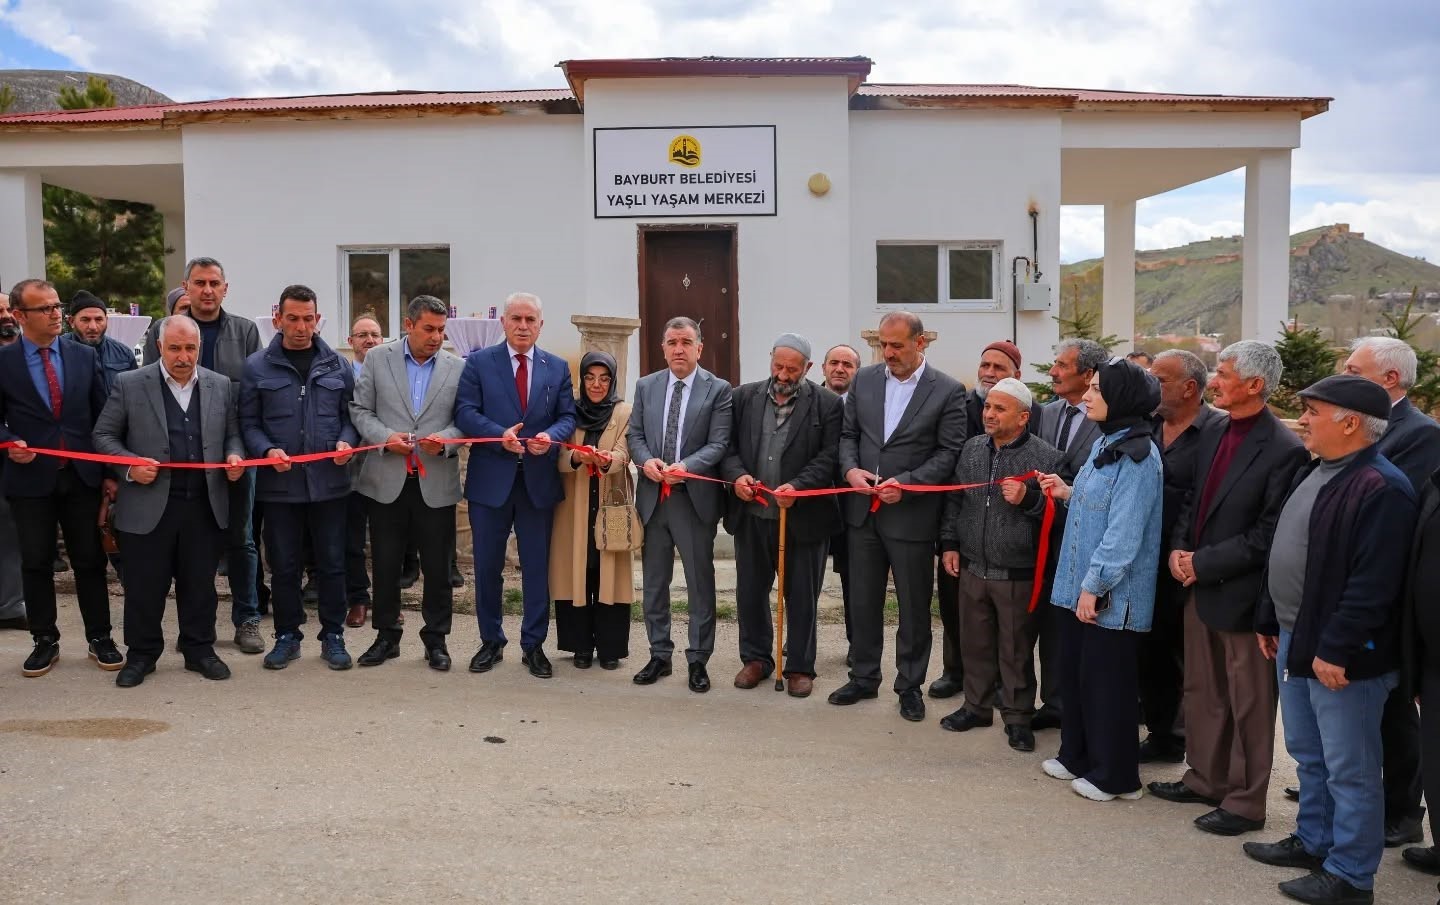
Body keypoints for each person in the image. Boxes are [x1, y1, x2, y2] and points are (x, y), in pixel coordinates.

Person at [1246, 375, 1416, 905]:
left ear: (1349, 422)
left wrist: (1336, 648)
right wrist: (1272, 618)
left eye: (1314, 412)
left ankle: (1350, 876)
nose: (1304, 421)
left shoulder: (1381, 487)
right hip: (1299, 638)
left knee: (1352, 768)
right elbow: (1291, 548)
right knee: (1308, 754)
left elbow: (1375, 583)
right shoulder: (1319, 469)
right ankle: (1315, 841)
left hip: (1340, 653)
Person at [1149, 341, 1308, 836]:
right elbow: (1196, 501)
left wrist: (1201, 562)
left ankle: (1243, 802)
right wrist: (1178, 552)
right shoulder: (1218, 430)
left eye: (1223, 373)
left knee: (1249, 705)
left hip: (1242, 596)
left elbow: (1267, 533)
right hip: (1198, 586)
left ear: (1255, 385)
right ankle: (1204, 778)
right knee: (1203, 691)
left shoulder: (1283, 448)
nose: (1214, 381)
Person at [92, 316, 246, 686]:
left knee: (199, 585)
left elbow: (233, 435)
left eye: (190, 348)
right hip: (147, 505)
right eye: (174, 348)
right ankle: (142, 655)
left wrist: (234, 457)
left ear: (199, 348)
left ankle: (199, 650)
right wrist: (130, 466)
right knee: (145, 587)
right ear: (159, 347)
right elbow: (103, 436)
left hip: (204, 505)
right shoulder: (130, 384)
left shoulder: (220, 385)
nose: (183, 356)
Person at [829, 311, 966, 721]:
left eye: (897, 345)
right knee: (863, 600)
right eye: (883, 345)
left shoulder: (947, 390)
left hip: (911, 516)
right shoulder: (866, 380)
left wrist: (905, 483)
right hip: (863, 513)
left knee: (912, 605)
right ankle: (864, 677)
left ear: (920, 343)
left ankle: (909, 685)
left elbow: (949, 453)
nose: (888, 352)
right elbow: (849, 435)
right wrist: (850, 470)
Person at [1037, 357, 1163, 802]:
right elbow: (1098, 505)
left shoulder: (1139, 458)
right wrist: (1067, 492)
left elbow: (1125, 533)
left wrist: (1095, 586)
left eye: (1096, 389)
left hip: (1109, 595)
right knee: (1075, 674)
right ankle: (1077, 754)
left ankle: (1116, 776)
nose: (1086, 396)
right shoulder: (1106, 442)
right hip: (1079, 586)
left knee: (1107, 684)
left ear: (1122, 399)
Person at [1343, 336, 1440, 847]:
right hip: (1360, 582)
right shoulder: (1362, 422)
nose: (1344, 373)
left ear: (1390, 380)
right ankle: (1362, 790)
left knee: (1393, 707)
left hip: (1393, 591)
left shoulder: (1419, 434)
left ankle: (1402, 812)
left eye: (1355, 370)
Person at [0, 279, 119, 676]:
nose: (56, 314)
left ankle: (100, 637)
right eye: (44, 308)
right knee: (35, 562)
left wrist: (109, 473)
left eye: (56, 306)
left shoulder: (83, 356)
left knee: (89, 560)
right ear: (19, 316)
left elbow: (104, 417)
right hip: (29, 478)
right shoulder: (6, 362)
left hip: (82, 476)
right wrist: (9, 440)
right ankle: (44, 640)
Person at [146, 258, 264, 654]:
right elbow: (149, 389)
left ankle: (247, 618)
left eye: (215, 283)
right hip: (180, 457)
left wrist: (241, 449)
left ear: (225, 288)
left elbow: (253, 394)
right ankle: (197, 629)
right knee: (188, 544)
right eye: (200, 283)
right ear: (186, 287)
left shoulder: (245, 331)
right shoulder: (161, 332)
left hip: (232, 454)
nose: (208, 290)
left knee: (241, 539)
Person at [455, 292, 576, 679]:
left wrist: (549, 437)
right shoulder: (478, 363)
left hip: (537, 482)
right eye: (516, 318)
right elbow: (465, 412)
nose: (523, 326)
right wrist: (497, 435)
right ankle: (491, 640)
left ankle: (533, 644)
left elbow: (566, 415)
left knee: (536, 567)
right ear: (503, 323)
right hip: (491, 480)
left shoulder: (556, 367)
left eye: (530, 320)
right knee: (486, 566)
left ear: (541, 325)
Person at [938, 377, 1060, 750]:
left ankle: (1018, 716)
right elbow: (956, 501)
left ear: (1023, 417)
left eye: (999, 408)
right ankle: (975, 706)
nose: (989, 414)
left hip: (1017, 573)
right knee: (974, 643)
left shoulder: (1046, 458)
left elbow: (1059, 516)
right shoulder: (972, 449)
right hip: (973, 566)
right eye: (987, 407)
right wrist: (950, 544)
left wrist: (1027, 499)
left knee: (1015, 648)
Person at [239, 284, 357, 671]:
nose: (301, 327)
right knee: (285, 565)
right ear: (278, 319)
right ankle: (288, 635)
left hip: (329, 484)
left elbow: (350, 418)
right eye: (293, 318)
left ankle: (333, 635)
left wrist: (345, 442)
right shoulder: (257, 366)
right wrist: (266, 450)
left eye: (309, 318)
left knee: (332, 563)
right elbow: (248, 423)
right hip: (280, 487)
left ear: (317, 319)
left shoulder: (337, 365)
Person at [721, 333, 842, 698]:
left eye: (792, 369)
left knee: (802, 596)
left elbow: (831, 456)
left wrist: (800, 487)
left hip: (803, 519)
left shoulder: (827, 404)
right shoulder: (743, 397)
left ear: (807, 368)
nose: (784, 375)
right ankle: (757, 658)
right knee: (750, 592)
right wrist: (736, 476)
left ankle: (800, 667)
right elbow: (726, 447)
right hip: (754, 516)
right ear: (770, 360)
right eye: (778, 366)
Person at [351, 296, 464, 671]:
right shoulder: (378, 359)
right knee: (384, 564)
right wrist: (385, 437)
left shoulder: (457, 367)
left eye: (441, 330)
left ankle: (436, 640)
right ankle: (386, 635)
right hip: (386, 479)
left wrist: (445, 439)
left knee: (437, 567)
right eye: (429, 329)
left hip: (435, 480)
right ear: (408, 324)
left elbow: (466, 420)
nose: (436, 338)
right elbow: (360, 410)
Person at [932, 339, 1043, 701]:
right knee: (960, 614)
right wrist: (949, 540)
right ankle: (958, 675)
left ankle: (1005, 695)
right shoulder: (959, 405)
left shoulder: (1033, 422)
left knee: (1008, 631)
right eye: (985, 366)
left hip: (1010, 549)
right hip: (966, 534)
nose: (989, 374)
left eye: (999, 368)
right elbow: (953, 486)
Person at [628, 316, 734, 693]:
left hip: (693, 501)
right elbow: (635, 435)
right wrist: (647, 462)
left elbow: (719, 443)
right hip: (654, 499)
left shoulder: (718, 390)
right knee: (655, 583)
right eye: (672, 342)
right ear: (662, 347)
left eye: (686, 342)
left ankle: (698, 658)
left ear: (699, 348)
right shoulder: (646, 386)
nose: (678, 349)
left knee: (698, 583)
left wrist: (686, 467)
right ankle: (659, 653)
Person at [1139, 349, 1224, 764]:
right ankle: (1162, 735)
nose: (1152, 385)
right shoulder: (1148, 426)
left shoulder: (1217, 432)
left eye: (1160, 379)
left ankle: (1194, 743)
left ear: (1190, 388)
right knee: (1153, 653)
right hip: (1144, 562)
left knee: (1190, 658)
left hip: (1189, 565)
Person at [1030, 338, 1109, 729]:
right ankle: (1054, 701)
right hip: (1043, 533)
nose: (1053, 372)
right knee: (1051, 622)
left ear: (1090, 375)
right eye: (1054, 363)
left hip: (1087, 535)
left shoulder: (1108, 421)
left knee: (1083, 622)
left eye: (1062, 365)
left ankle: (1083, 705)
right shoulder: (1046, 413)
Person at [550, 351, 635, 670]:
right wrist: (576, 458)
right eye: (589, 377)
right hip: (574, 504)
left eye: (603, 378)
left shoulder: (625, 411)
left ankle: (611, 648)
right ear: (582, 380)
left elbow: (626, 452)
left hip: (610, 501)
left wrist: (606, 459)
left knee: (608, 569)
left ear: (612, 380)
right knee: (577, 568)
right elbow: (557, 454)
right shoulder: (569, 411)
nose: (596, 384)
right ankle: (580, 646)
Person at [343, 314, 385, 629]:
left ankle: (387, 602)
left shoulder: (390, 372)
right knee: (352, 541)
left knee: (388, 541)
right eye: (362, 335)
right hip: (349, 473)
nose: (369, 340)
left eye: (374, 334)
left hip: (385, 468)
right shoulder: (342, 374)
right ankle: (358, 598)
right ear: (351, 342)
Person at [822, 343, 861, 659]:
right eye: (834, 363)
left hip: (851, 508)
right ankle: (799, 643)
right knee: (801, 579)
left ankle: (856, 644)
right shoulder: (807, 400)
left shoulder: (864, 407)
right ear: (823, 368)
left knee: (854, 580)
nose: (839, 369)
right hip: (810, 506)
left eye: (847, 364)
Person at [0, 291, 26, 631]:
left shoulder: (24, 356)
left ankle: (10, 606)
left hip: (17, 459)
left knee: (10, 534)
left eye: (8, 309)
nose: (5, 316)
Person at [63, 291, 137, 395]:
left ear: (106, 320)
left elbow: (133, 396)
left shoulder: (124, 354)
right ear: (71, 321)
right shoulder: (58, 352)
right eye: (85, 320)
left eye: (98, 319)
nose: (93, 327)